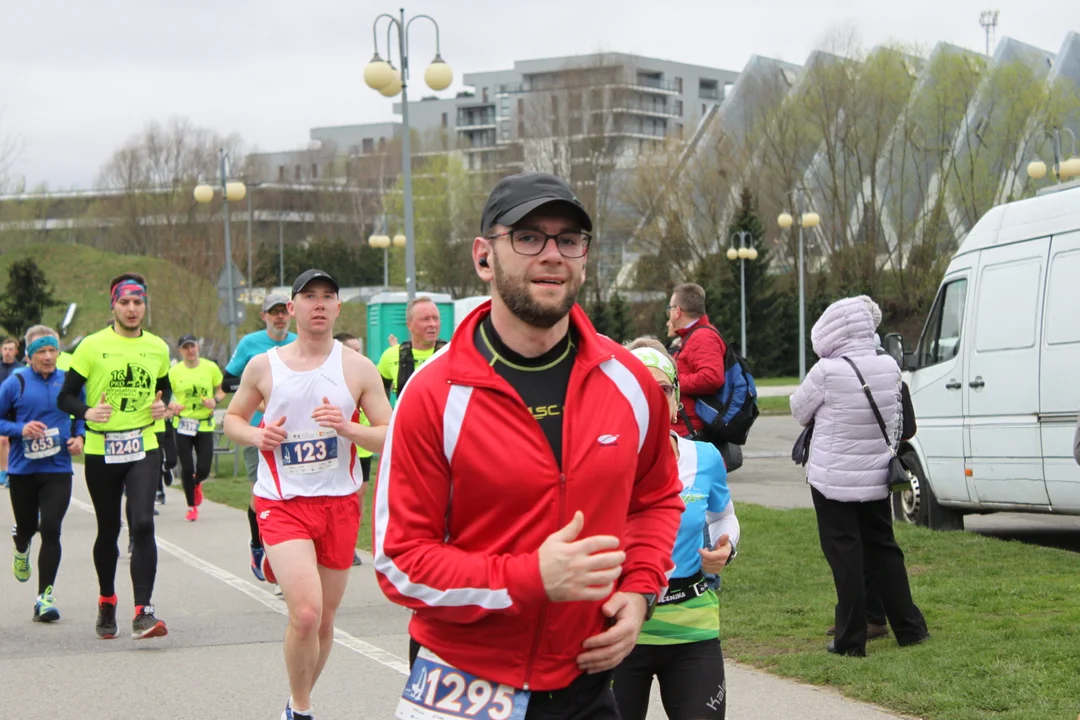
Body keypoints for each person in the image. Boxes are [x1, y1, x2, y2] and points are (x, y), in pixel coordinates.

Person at [375, 171, 684, 720]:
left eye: (569, 239)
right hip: (464, 686)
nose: (552, 255)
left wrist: (639, 592)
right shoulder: (432, 396)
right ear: (484, 256)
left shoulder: (630, 381)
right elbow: (401, 563)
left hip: (585, 681)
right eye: (527, 237)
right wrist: (529, 579)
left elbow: (656, 499)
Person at [224, 269, 391, 720]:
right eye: (309, 296)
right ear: (292, 307)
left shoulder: (358, 368)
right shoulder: (265, 365)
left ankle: (297, 696)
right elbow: (232, 419)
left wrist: (347, 428)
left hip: (339, 503)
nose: (319, 303)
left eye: (328, 296)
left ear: (338, 308)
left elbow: (390, 434)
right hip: (282, 502)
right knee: (305, 614)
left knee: (325, 621)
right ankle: (301, 709)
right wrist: (258, 437)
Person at [790, 296, 930, 657]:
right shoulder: (888, 365)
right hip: (874, 475)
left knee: (845, 557)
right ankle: (910, 629)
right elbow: (900, 422)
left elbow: (797, 409)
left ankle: (851, 639)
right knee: (884, 550)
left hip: (832, 479)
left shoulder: (826, 371)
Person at [614, 338, 740, 720]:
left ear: (676, 400)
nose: (653, 399)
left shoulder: (704, 458)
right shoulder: (599, 461)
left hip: (692, 626)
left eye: (664, 389)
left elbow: (723, 517)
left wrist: (725, 548)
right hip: (619, 628)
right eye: (641, 390)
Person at [57, 272, 173, 640]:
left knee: (142, 523)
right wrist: (87, 412)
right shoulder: (91, 346)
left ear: (145, 305)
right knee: (109, 529)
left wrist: (162, 405)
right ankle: (107, 599)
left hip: (144, 443)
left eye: (138, 302)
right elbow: (67, 397)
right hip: (101, 447)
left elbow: (164, 387)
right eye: (125, 302)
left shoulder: (157, 347)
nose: (132, 308)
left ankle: (144, 611)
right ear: (114, 305)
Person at [0, 325, 85, 622]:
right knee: (27, 526)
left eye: (52, 351)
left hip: (58, 467)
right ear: (29, 355)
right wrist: (19, 429)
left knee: (50, 528)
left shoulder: (68, 382)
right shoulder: (16, 382)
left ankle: (44, 598)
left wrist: (80, 437)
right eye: (41, 352)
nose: (48, 357)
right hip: (24, 469)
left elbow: (80, 414)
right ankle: (21, 544)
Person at [222, 291, 296, 581]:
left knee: (291, 495)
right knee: (260, 493)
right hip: (257, 430)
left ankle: (284, 557)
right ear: (264, 315)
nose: (279, 317)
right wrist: (257, 397)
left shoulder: (299, 343)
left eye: (283, 311)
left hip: (295, 432)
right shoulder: (250, 344)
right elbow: (227, 381)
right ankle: (258, 545)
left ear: (291, 313)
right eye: (273, 312)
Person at [167, 335, 224, 522]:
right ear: (180, 351)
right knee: (187, 465)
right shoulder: (174, 372)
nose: (190, 351)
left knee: (204, 466)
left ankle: (197, 481)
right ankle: (191, 506)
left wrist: (214, 400)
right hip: (182, 423)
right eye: (186, 348)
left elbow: (221, 389)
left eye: (192, 347)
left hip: (204, 424)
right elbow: (165, 394)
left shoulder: (210, 367)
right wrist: (171, 405)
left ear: (198, 347)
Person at [665, 283, 727, 439]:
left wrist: (673, 383)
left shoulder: (703, 337)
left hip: (691, 429)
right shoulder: (692, 336)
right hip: (684, 426)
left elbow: (711, 378)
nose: (669, 313)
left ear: (678, 311)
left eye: (670, 308)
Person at [333, 332, 369, 567]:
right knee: (341, 496)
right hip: (338, 446)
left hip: (362, 443)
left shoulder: (365, 374)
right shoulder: (333, 378)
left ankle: (350, 544)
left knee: (359, 494)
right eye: (353, 351)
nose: (358, 355)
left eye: (359, 350)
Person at [376, 296, 445, 398]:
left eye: (435, 318)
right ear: (409, 325)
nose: (432, 324)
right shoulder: (391, 355)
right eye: (425, 319)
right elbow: (375, 393)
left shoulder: (453, 353)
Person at [0, 336, 25, 488]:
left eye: (11, 349)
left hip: (14, 410)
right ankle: (4, 471)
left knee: (10, 442)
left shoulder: (20, 369)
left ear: (16, 351)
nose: (8, 352)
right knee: (2, 441)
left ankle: (11, 471)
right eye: (5, 349)